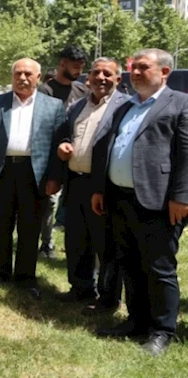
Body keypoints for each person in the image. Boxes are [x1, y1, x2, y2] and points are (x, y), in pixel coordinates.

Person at [91, 49, 188, 356]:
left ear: (164, 72)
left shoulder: (181, 103)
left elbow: (186, 156)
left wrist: (181, 197)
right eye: (133, 67)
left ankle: (162, 330)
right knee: (129, 262)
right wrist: (100, 189)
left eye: (143, 68)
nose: (134, 72)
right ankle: (136, 321)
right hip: (120, 197)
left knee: (159, 267)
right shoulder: (126, 105)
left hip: (159, 201)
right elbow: (111, 147)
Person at [0, 58, 65, 300]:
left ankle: (26, 277)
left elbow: (59, 143)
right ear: (12, 75)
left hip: (35, 173)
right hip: (2, 170)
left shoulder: (54, 106)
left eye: (28, 74)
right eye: (18, 73)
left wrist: (55, 177)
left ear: (38, 77)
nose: (23, 78)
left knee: (30, 227)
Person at [54, 57, 128, 313]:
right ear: (88, 78)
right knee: (76, 239)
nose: (101, 78)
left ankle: (108, 299)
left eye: (108, 74)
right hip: (75, 182)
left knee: (106, 244)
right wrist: (63, 145)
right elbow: (67, 134)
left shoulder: (125, 106)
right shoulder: (76, 106)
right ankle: (81, 288)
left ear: (118, 79)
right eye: (96, 73)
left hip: (104, 187)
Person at [38, 45, 89, 257]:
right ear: (62, 64)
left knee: (73, 202)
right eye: (74, 67)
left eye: (81, 67)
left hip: (75, 156)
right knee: (49, 201)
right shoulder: (45, 91)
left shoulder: (82, 91)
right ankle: (45, 244)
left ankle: (75, 246)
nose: (78, 71)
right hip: (51, 155)